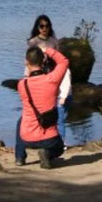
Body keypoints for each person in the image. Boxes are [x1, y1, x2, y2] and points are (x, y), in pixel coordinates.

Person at [15, 39, 69, 168]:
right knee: (60, 148)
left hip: (26, 137)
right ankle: (47, 154)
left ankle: (20, 157)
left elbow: (29, 77)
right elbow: (64, 61)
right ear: (43, 61)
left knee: (21, 121)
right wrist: (47, 50)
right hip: (49, 138)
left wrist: (29, 68)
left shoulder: (22, 85)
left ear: (26, 62)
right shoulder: (52, 80)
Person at [27, 15, 72, 144]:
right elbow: (30, 60)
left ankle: (56, 139)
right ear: (37, 27)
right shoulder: (33, 42)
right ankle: (42, 137)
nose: (44, 28)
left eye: (47, 26)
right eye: (41, 26)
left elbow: (60, 59)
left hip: (52, 74)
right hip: (39, 75)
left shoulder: (54, 41)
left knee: (56, 110)